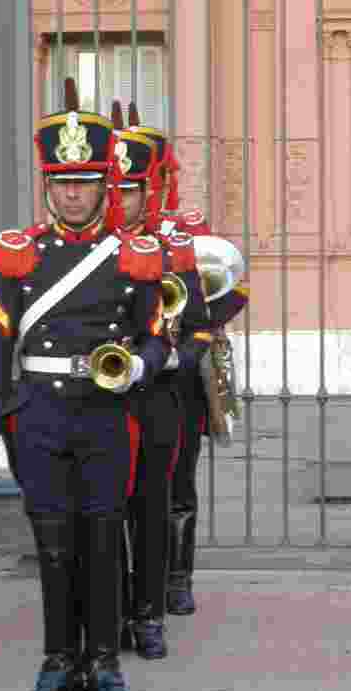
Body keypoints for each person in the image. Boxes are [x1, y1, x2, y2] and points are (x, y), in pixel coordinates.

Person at [0, 79, 169, 691]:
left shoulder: (135, 257)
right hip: (39, 415)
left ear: (102, 186)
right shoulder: (20, 254)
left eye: (84, 181)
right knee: (54, 546)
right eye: (61, 181)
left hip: (106, 415)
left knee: (100, 538)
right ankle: (57, 664)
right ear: (48, 185)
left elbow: (158, 339)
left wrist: (136, 368)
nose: (72, 192)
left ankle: (106, 668)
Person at [127, 106, 249, 616]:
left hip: (178, 382)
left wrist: (186, 345)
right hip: (124, 376)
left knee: (177, 484)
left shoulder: (186, 231)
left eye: (144, 181)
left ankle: (177, 578)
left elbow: (231, 289)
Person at [110, 103, 212, 659]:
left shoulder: (175, 244)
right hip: (101, 399)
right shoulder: (92, 247)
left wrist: (169, 360)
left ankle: (158, 599)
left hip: (163, 394)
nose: (120, 200)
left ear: (150, 190)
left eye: (130, 190)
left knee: (161, 502)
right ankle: (113, 609)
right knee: (104, 510)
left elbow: (199, 327)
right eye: (114, 188)